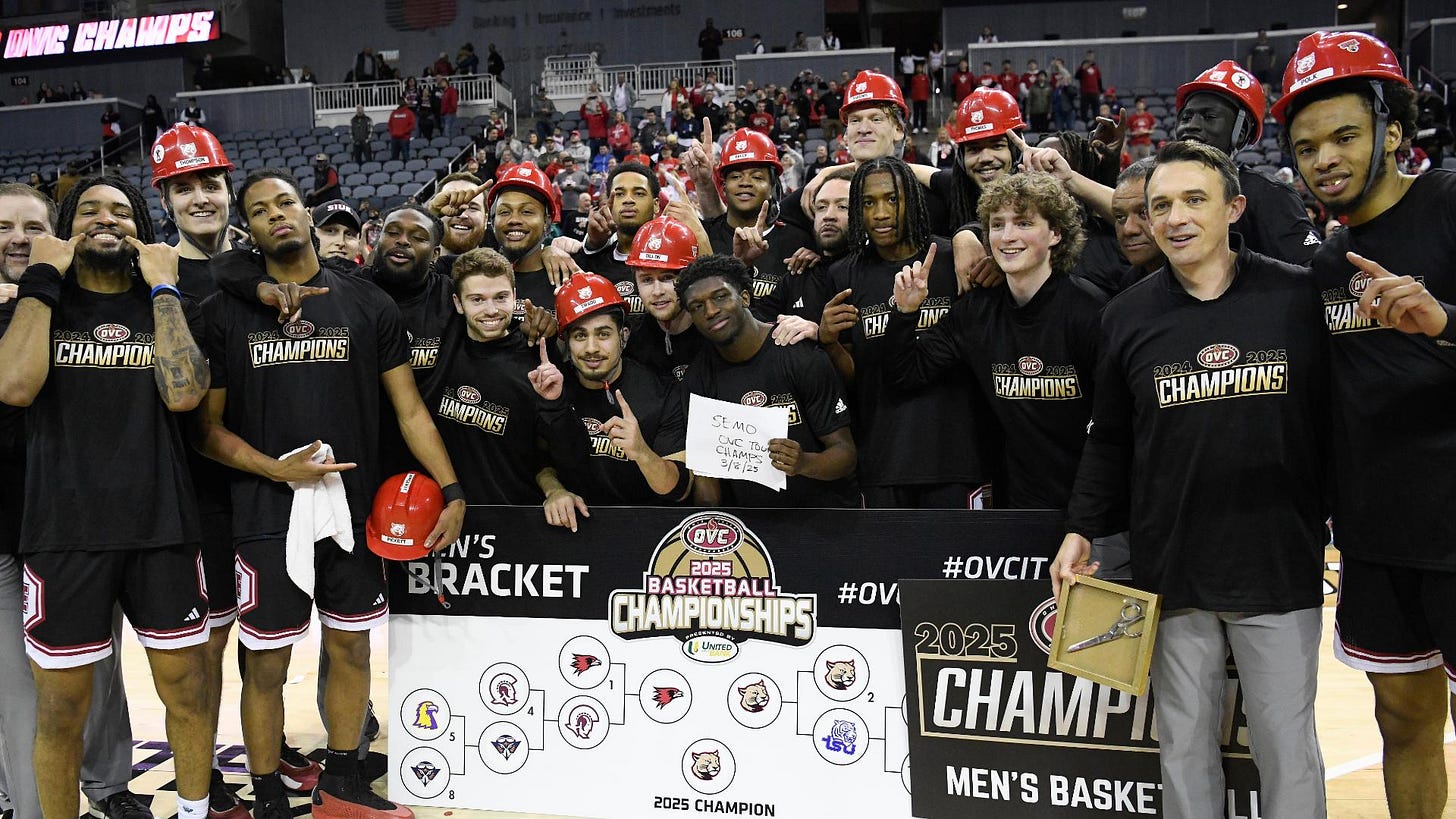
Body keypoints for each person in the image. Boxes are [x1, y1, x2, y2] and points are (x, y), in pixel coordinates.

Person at [1055, 140, 1329, 819]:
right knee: (1182, 744)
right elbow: (1109, 439)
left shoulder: (1297, 297)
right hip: (1171, 561)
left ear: (1234, 208)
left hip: (1277, 561)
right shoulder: (1126, 315)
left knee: (1286, 745)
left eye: (1193, 200)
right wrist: (1082, 527)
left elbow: (1337, 422)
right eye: (1160, 206)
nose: (1175, 218)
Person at [196, 169, 466, 819]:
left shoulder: (368, 303)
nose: (276, 214)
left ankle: (342, 782)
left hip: (353, 502)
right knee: (266, 659)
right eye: (260, 209)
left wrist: (452, 488)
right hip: (266, 508)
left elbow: (409, 410)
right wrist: (273, 469)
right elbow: (205, 429)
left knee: (351, 645)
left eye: (286, 202)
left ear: (306, 214)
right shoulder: (224, 311)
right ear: (249, 229)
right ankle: (267, 793)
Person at [1274, 31, 1456, 819]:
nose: (1326, 159)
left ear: (1394, 129)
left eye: (1344, 136)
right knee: (1402, 720)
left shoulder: (1449, 202)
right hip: (1378, 535)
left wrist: (1444, 321)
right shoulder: (1330, 262)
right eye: (1307, 147)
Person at [0, 176, 214, 819]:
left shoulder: (167, 301)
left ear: (141, 230)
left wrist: (165, 289)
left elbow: (185, 394)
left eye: (121, 211)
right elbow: (14, 387)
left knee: (188, 692)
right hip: (63, 533)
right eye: (88, 210)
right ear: (65, 231)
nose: (105, 219)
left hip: (163, 527)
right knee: (61, 710)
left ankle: (194, 813)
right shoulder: (36, 305)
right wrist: (42, 277)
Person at [888, 171, 1102, 511]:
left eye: (1024, 223)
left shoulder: (1090, 311)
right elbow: (906, 373)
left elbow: (1112, 427)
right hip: (1018, 509)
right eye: (997, 225)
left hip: (1095, 509)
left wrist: (1087, 518)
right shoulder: (976, 312)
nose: (1007, 236)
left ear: (1056, 233)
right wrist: (905, 312)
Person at [814, 157, 982, 508]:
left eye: (892, 199)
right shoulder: (843, 274)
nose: (880, 214)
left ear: (914, 200)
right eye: (868, 202)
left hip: (958, 456)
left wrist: (971, 235)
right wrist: (829, 342)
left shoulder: (953, 258)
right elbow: (855, 375)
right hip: (883, 456)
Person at [678, 255, 858, 507]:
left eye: (720, 297)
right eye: (697, 306)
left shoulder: (799, 355)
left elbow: (846, 454)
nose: (710, 311)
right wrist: (709, 522)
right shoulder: (697, 380)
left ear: (744, 298)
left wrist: (804, 462)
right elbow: (707, 476)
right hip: (754, 523)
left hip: (826, 515)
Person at [424, 248, 582, 515]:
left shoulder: (539, 359)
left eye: (501, 297)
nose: (491, 310)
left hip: (514, 518)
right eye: (477, 299)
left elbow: (558, 454)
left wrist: (555, 490)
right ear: (458, 303)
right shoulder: (442, 348)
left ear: (514, 296)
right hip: (443, 515)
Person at [553, 269, 693, 506]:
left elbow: (681, 489)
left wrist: (641, 452)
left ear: (624, 336)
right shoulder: (555, 389)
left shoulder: (662, 393)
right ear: (567, 342)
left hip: (643, 523)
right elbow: (537, 460)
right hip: (572, 523)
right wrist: (554, 490)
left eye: (603, 334)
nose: (591, 348)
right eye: (580, 336)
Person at [1175, 59, 1322, 264]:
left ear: (1241, 133)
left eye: (1209, 117)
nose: (1191, 126)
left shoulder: (1270, 195)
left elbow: (1310, 270)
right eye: (1186, 118)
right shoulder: (1161, 190)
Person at [1075, 51, 1102, 123]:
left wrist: (1101, 91)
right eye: (1089, 56)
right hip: (1085, 92)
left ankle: (1096, 124)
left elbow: (1099, 80)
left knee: (1096, 110)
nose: (1090, 58)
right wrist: (1082, 68)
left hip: (1095, 92)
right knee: (1084, 110)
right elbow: (1076, 76)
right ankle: (1085, 124)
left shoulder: (1095, 68)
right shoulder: (1082, 67)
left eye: (1091, 56)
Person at [389, 97, 416, 161]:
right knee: (394, 157)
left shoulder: (409, 112)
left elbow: (412, 125)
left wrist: (405, 132)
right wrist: (393, 133)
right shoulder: (394, 113)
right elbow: (390, 124)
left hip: (404, 138)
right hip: (395, 137)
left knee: (405, 156)